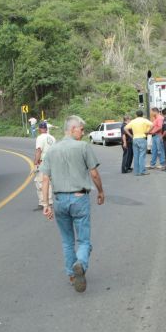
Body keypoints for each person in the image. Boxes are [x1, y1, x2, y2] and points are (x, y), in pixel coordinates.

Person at [40, 115, 105, 293]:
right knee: (83, 241)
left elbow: (45, 179)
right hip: (79, 198)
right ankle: (80, 265)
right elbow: (94, 174)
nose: (83, 133)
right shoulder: (83, 147)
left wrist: (46, 204)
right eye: (81, 129)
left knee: (67, 241)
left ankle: (71, 273)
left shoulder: (52, 151)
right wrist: (100, 191)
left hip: (60, 200)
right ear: (72, 129)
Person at [33, 121, 56, 211]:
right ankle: (49, 201)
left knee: (40, 182)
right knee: (49, 182)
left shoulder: (40, 138)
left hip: (43, 162)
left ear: (39, 129)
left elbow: (39, 150)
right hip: (52, 162)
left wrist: (35, 163)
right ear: (46, 129)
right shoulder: (52, 138)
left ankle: (43, 202)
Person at [124, 110, 153, 176]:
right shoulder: (144, 120)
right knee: (142, 155)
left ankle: (136, 172)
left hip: (135, 139)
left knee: (136, 155)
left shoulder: (133, 121)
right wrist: (148, 131)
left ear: (136, 115)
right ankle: (142, 171)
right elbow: (152, 125)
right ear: (142, 115)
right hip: (142, 138)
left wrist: (131, 135)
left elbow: (125, 128)